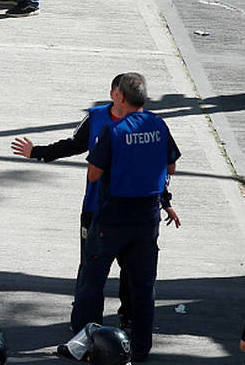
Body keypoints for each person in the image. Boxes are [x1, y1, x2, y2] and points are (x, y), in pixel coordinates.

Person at [11, 73, 180, 329]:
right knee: (91, 270)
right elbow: (73, 145)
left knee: (132, 272)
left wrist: (165, 200)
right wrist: (37, 152)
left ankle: (127, 317)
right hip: (97, 211)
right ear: (114, 94)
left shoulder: (146, 125)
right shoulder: (98, 118)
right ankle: (88, 325)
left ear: (120, 95)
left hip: (128, 211)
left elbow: (159, 168)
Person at [70, 72, 180, 360]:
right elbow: (171, 166)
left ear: (119, 96)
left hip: (112, 214)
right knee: (143, 285)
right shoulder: (158, 125)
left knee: (92, 281)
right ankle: (141, 346)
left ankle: (85, 345)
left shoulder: (115, 131)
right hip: (146, 216)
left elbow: (94, 174)